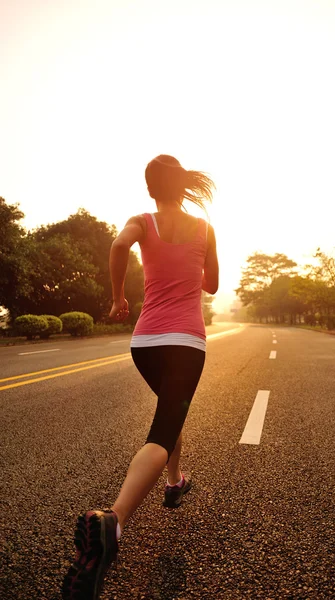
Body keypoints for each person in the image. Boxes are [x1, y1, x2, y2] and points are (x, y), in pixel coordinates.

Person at [62, 155, 219, 600]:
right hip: (186, 341)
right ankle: (113, 521)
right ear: (182, 185)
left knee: (171, 415)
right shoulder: (204, 228)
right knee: (163, 427)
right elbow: (212, 285)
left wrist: (117, 298)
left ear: (151, 189)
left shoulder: (140, 220)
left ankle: (174, 482)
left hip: (145, 342)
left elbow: (117, 246)